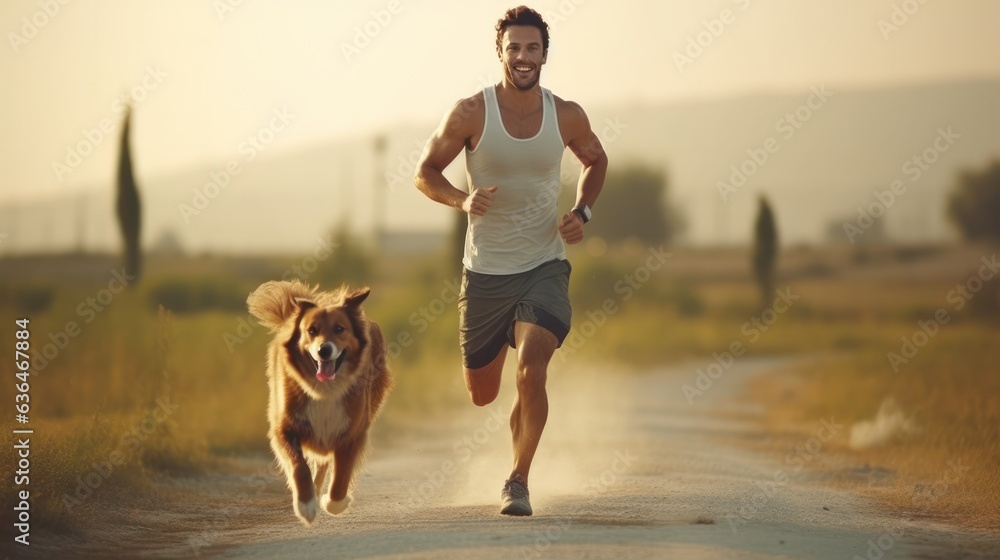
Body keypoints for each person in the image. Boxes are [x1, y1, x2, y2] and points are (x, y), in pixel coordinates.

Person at [414, 5, 608, 516]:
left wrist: (581, 212)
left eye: (533, 48)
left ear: (545, 54)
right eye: (515, 48)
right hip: (485, 272)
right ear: (500, 52)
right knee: (482, 393)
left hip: (544, 264)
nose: (524, 57)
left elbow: (596, 159)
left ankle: (518, 479)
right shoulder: (469, 113)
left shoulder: (566, 114)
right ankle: (511, 395)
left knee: (532, 371)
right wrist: (461, 200)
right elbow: (425, 171)